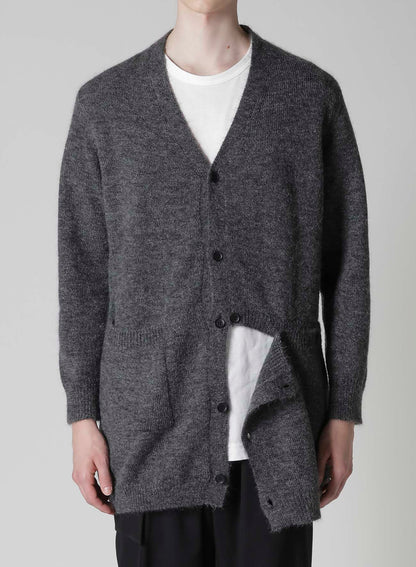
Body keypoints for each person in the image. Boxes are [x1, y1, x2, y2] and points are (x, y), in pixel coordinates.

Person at [58, 1, 370, 566]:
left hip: (279, 429)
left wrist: (343, 411)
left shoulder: (308, 97)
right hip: (150, 437)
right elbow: (82, 276)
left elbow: (347, 264)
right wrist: (82, 416)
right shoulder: (106, 106)